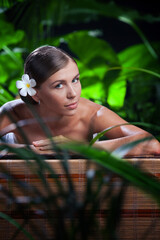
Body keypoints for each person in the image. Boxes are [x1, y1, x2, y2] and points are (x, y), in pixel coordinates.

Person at [0, 45, 160, 156]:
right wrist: (30, 151)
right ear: (35, 93)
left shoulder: (93, 114)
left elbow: (152, 144)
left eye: (75, 80)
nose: (73, 93)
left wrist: (79, 147)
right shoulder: (13, 113)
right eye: (59, 85)